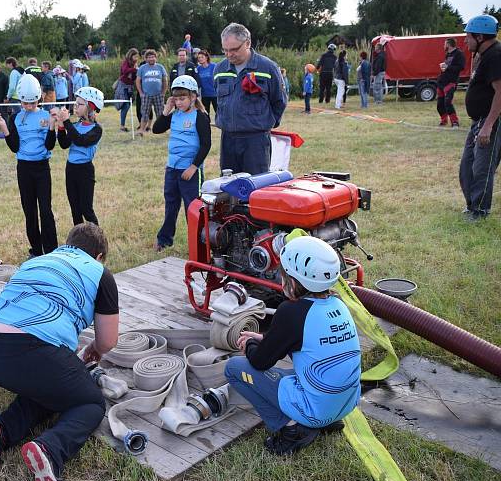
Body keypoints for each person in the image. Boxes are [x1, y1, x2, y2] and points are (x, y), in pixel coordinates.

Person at [0, 222, 119, 481]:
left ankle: (1, 430)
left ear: (68, 244)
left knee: (49, 387)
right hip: (28, 349)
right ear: (98, 256)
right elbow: (108, 340)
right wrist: (95, 349)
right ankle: (50, 449)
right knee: (90, 403)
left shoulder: (38, 261)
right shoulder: (100, 273)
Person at [224, 236, 361, 455]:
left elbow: (259, 362)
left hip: (317, 412)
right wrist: (265, 338)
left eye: (283, 274)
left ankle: (292, 429)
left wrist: (250, 343)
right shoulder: (339, 304)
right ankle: (323, 421)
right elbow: (308, 341)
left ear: (294, 282)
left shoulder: (291, 311)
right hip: (344, 405)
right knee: (288, 373)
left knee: (234, 368)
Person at [0, 74, 58, 258]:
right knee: (29, 211)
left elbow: (50, 145)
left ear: (39, 99)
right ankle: (36, 250)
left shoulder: (46, 117)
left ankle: (51, 250)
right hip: (24, 169)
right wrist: (4, 127)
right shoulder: (15, 118)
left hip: (42, 169)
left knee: (45, 210)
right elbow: (15, 147)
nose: (29, 107)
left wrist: (52, 126)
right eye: (25, 103)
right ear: (20, 100)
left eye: (33, 103)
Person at [214, 22, 286, 175]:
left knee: (256, 187)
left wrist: (265, 124)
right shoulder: (219, 69)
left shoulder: (268, 68)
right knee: (229, 189)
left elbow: (279, 101)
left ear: (248, 43)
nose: (229, 54)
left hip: (256, 141)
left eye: (234, 49)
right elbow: (219, 101)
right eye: (225, 50)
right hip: (228, 139)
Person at [152, 76, 211, 252]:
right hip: (172, 169)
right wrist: (166, 110)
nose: (179, 102)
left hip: (190, 171)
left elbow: (206, 145)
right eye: (176, 99)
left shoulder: (200, 116)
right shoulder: (174, 115)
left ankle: (199, 244)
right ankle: (164, 239)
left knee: (192, 208)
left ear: (193, 97)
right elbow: (156, 129)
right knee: (171, 204)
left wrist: (193, 167)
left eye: (182, 98)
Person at [459, 14, 501, 222]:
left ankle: (480, 211)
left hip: (491, 120)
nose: (465, 40)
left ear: (480, 36)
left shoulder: (495, 55)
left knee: (482, 167)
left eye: (468, 36)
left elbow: (500, 92)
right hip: (480, 120)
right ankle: (471, 205)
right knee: (467, 165)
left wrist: (489, 125)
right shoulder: (484, 55)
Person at [55, 86, 104, 226]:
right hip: (71, 169)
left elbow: (81, 141)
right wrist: (61, 126)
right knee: (75, 209)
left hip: (85, 171)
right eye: (75, 104)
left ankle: (96, 237)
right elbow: (64, 144)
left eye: (80, 104)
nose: (75, 107)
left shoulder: (96, 129)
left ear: (91, 107)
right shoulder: (75, 125)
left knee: (86, 209)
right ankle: (79, 239)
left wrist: (67, 122)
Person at [136, 49, 168, 135]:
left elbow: (165, 81)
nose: (151, 59)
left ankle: (162, 129)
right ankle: (142, 130)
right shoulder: (142, 68)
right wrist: (141, 93)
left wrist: (163, 92)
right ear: (146, 59)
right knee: (145, 113)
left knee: (160, 113)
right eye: (149, 57)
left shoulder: (160, 67)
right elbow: (138, 81)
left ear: (156, 58)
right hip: (146, 95)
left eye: (153, 57)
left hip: (158, 94)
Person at [437, 38, 466, 127]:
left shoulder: (459, 54)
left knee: (448, 103)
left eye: (445, 44)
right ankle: (444, 120)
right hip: (442, 81)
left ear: (449, 45)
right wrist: (444, 68)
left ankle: (455, 122)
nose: (444, 46)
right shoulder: (448, 54)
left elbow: (461, 67)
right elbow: (447, 66)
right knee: (440, 105)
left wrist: (447, 67)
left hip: (451, 82)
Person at [115, 48, 139, 132]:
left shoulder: (135, 64)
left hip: (130, 87)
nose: (136, 58)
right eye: (135, 56)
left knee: (127, 105)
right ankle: (122, 126)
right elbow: (125, 71)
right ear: (131, 56)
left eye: (137, 56)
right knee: (125, 105)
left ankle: (122, 125)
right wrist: (135, 69)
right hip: (123, 86)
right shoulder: (126, 62)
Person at [196, 49, 217, 116]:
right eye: (199, 58)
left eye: (202, 57)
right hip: (205, 95)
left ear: (206, 57)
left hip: (215, 94)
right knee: (205, 113)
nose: (200, 59)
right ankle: (206, 126)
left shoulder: (214, 66)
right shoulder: (198, 69)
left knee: (218, 113)